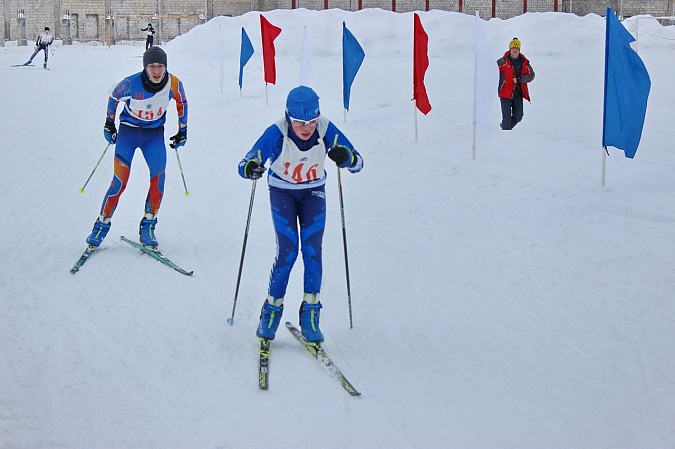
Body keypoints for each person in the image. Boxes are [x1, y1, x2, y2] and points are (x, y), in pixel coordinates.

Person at [238, 86, 364, 343]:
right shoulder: (277, 132)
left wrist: (346, 157)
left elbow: (358, 162)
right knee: (288, 251)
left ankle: (310, 316)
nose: (307, 127)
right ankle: (271, 313)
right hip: (282, 192)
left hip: (313, 193)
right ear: (288, 117)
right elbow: (246, 162)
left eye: (311, 121)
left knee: (312, 251)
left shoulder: (325, 128)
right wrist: (251, 168)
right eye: (300, 122)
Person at [84, 46, 188, 249]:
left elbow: (182, 102)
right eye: (152, 66)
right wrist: (109, 123)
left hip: (154, 135)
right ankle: (101, 225)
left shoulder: (174, 83)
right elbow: (114, 98)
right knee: (119, 182)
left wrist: (183, 130)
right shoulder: (130, 83)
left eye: (160, 66)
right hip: (128, 133)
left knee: (159, 179)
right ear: (145, 67)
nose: (157, 71)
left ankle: (148, 226)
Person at [497, 37, 535, 131]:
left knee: (518, 116)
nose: (515, 50)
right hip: (505, 93)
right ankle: (505, 137)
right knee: (506, 119)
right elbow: (492, 74)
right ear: (510, 49)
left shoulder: (524, 62)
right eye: (513, 48)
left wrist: (520, 79)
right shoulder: (501, 62)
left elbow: (532, 75)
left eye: (517, 48)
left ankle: (505, 130)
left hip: (518, 94)